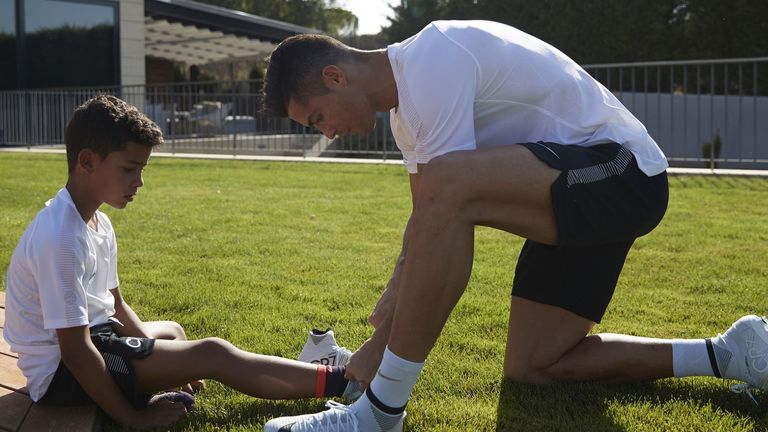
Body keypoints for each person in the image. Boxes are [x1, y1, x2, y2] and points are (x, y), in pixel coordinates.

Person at [259, 20, 768, 431]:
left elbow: (445, 199)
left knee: (446, 187)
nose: (325, 132)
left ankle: (381, 411)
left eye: (316, 118)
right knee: (533, 366)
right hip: (569, 194)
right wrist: (380, 327)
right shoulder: (403, 121)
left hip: (624, 174)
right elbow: (424, 226)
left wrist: (381, 360)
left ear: (334, 77)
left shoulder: (433, 57)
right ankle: (729, 353)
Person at [2, 95, 359, 430]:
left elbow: (115, 304)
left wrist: (161, 358)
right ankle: (345, 382)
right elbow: (77, 353)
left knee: (172, 331)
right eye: (129, 169)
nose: (139, 182)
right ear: (87, 161)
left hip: (97, 339)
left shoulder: (97, 221)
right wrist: (133, 418)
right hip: (61, 374)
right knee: (213, 354)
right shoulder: (61, 237)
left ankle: (151, 378)